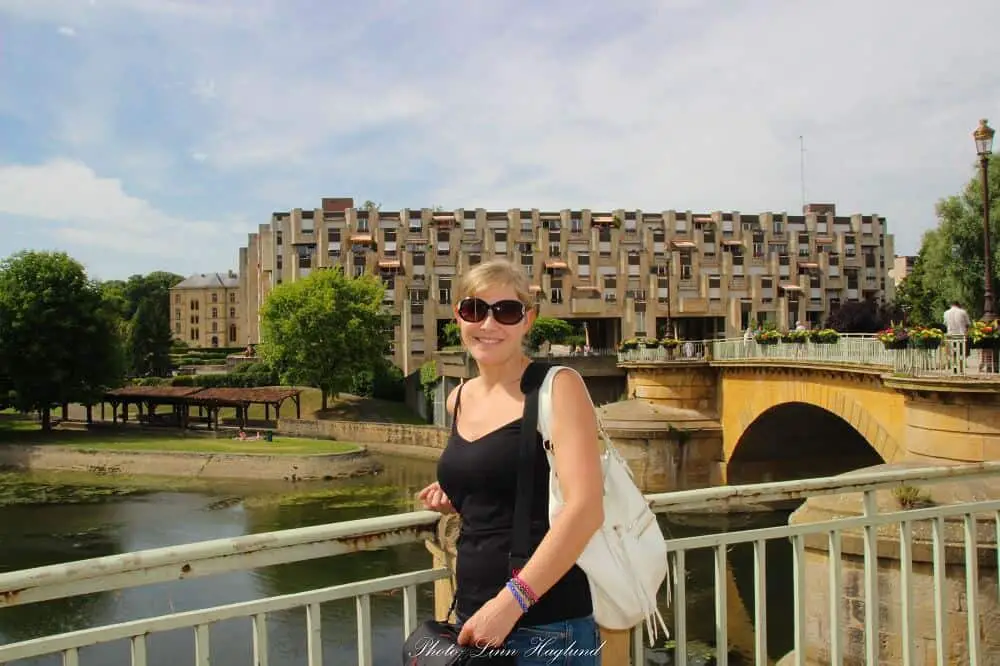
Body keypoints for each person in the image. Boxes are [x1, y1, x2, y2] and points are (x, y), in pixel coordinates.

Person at [418, 258, 605, 664]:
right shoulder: (459, 398)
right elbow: (500, 478)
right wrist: (457, 493)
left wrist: (511, 603)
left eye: (505, 311)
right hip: (473, 619)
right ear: (458, 317)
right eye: (475, 309)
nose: (488, 324)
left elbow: (586, 509)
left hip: (546, 628)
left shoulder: (556, 388)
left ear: (527, 320)